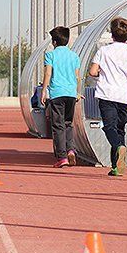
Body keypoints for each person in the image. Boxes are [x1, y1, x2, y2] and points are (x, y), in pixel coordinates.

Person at [88, 17, 127, 176]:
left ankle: (119, 147)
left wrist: (99, 74)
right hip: (126, 96)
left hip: (107, 94)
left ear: (111, 34)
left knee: (109, 127)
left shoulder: (103, 51)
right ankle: (117, 166)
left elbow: (92, 72)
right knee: (120, 128)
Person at [40, 26, 81, 168]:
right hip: (71, 93)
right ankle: (71, 149)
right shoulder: (74, 56)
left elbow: (48, 74)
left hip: (57, 93)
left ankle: (62, 156)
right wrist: (77, 92)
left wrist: (44, 90)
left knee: (57, 125)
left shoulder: (50, 55)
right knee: (68, 123)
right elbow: (77, 76)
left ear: (54, 41)